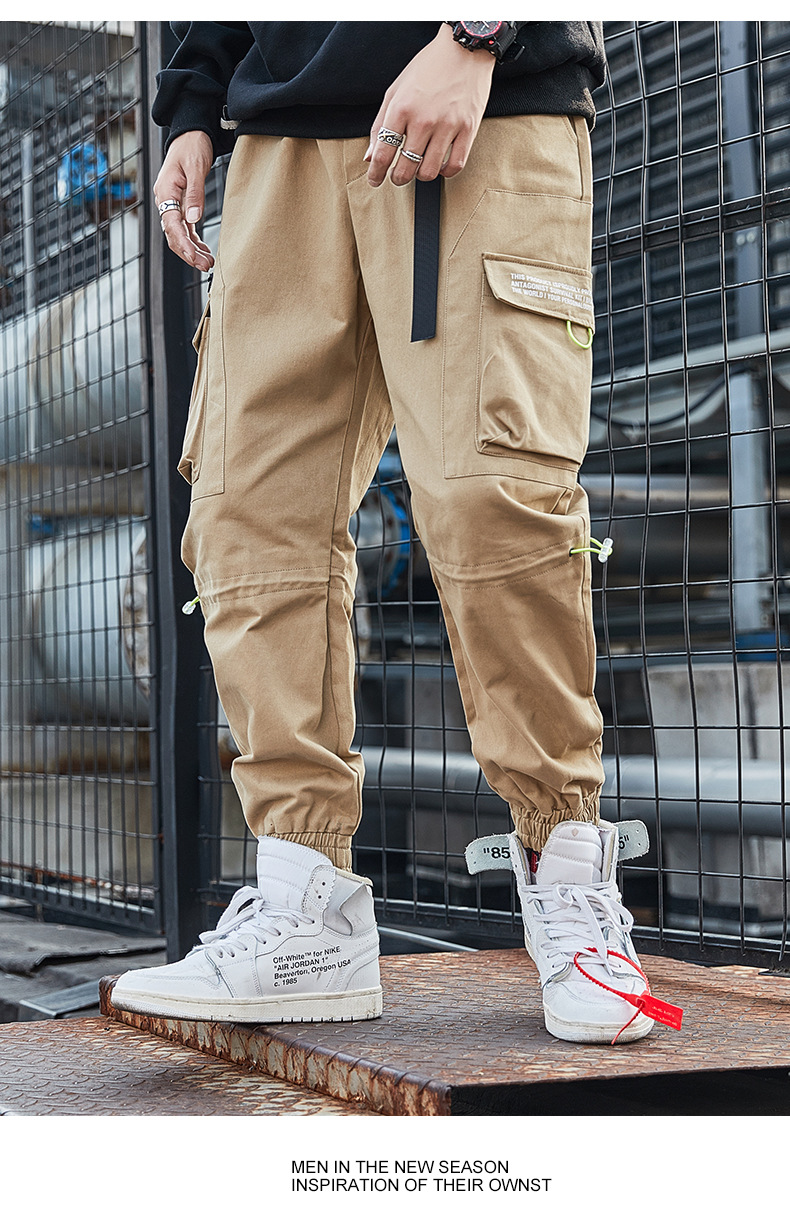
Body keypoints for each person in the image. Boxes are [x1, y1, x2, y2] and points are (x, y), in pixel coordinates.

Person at [112, 20, 675, 1045]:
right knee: (248, 517)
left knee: (492, 496)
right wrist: (193, 101)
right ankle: (306, 905)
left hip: (481, 103)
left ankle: (569, 876)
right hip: (280, 137)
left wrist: (479, 34)